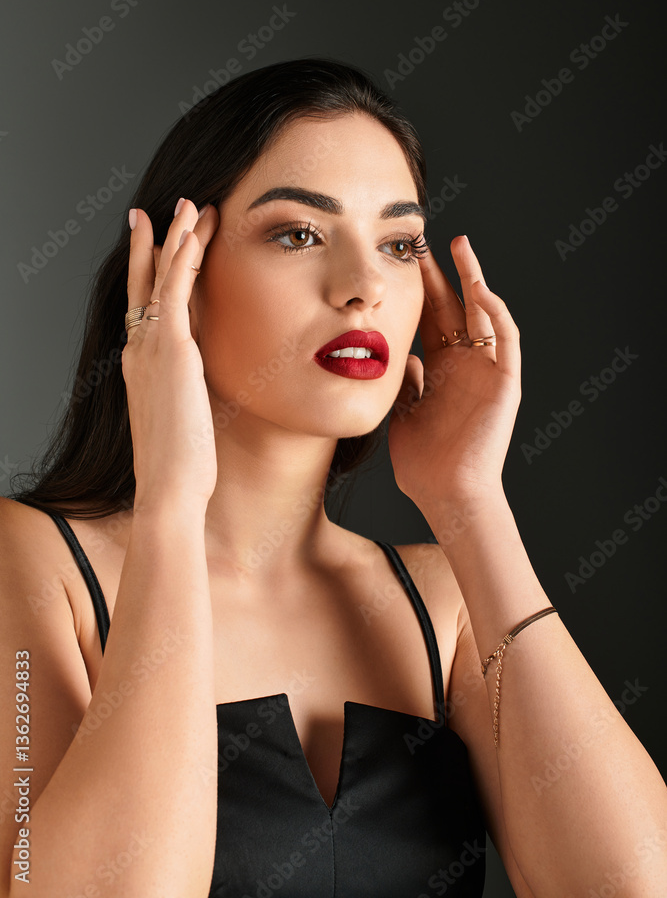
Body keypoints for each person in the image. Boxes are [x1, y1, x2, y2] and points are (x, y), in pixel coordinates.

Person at [0, 58, 665, 898]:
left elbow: (630, 889)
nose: (362, 290)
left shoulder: (442, 604)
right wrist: (172, 502)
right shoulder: (30, 564)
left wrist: (470, 502)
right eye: (298, 234)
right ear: (179, 275)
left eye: (396, 244)